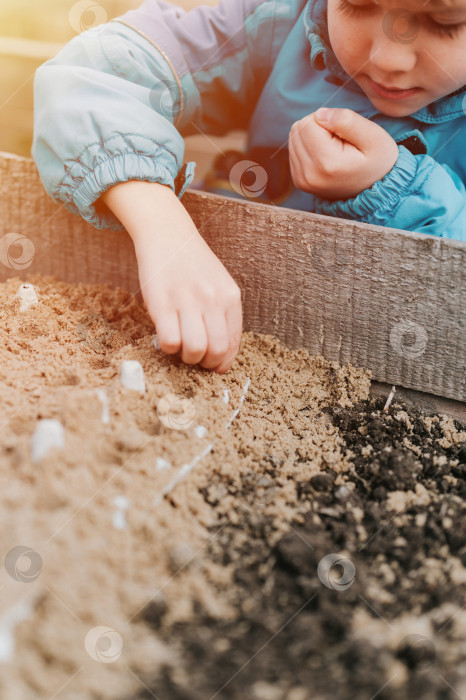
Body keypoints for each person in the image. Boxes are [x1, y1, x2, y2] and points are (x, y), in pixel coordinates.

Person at [32, 0, 466, 374]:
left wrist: (396, 187)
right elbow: (90, 74)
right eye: (358, 4)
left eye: (446, 23)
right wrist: (165, 231)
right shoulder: (280, 23)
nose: (389, 58)